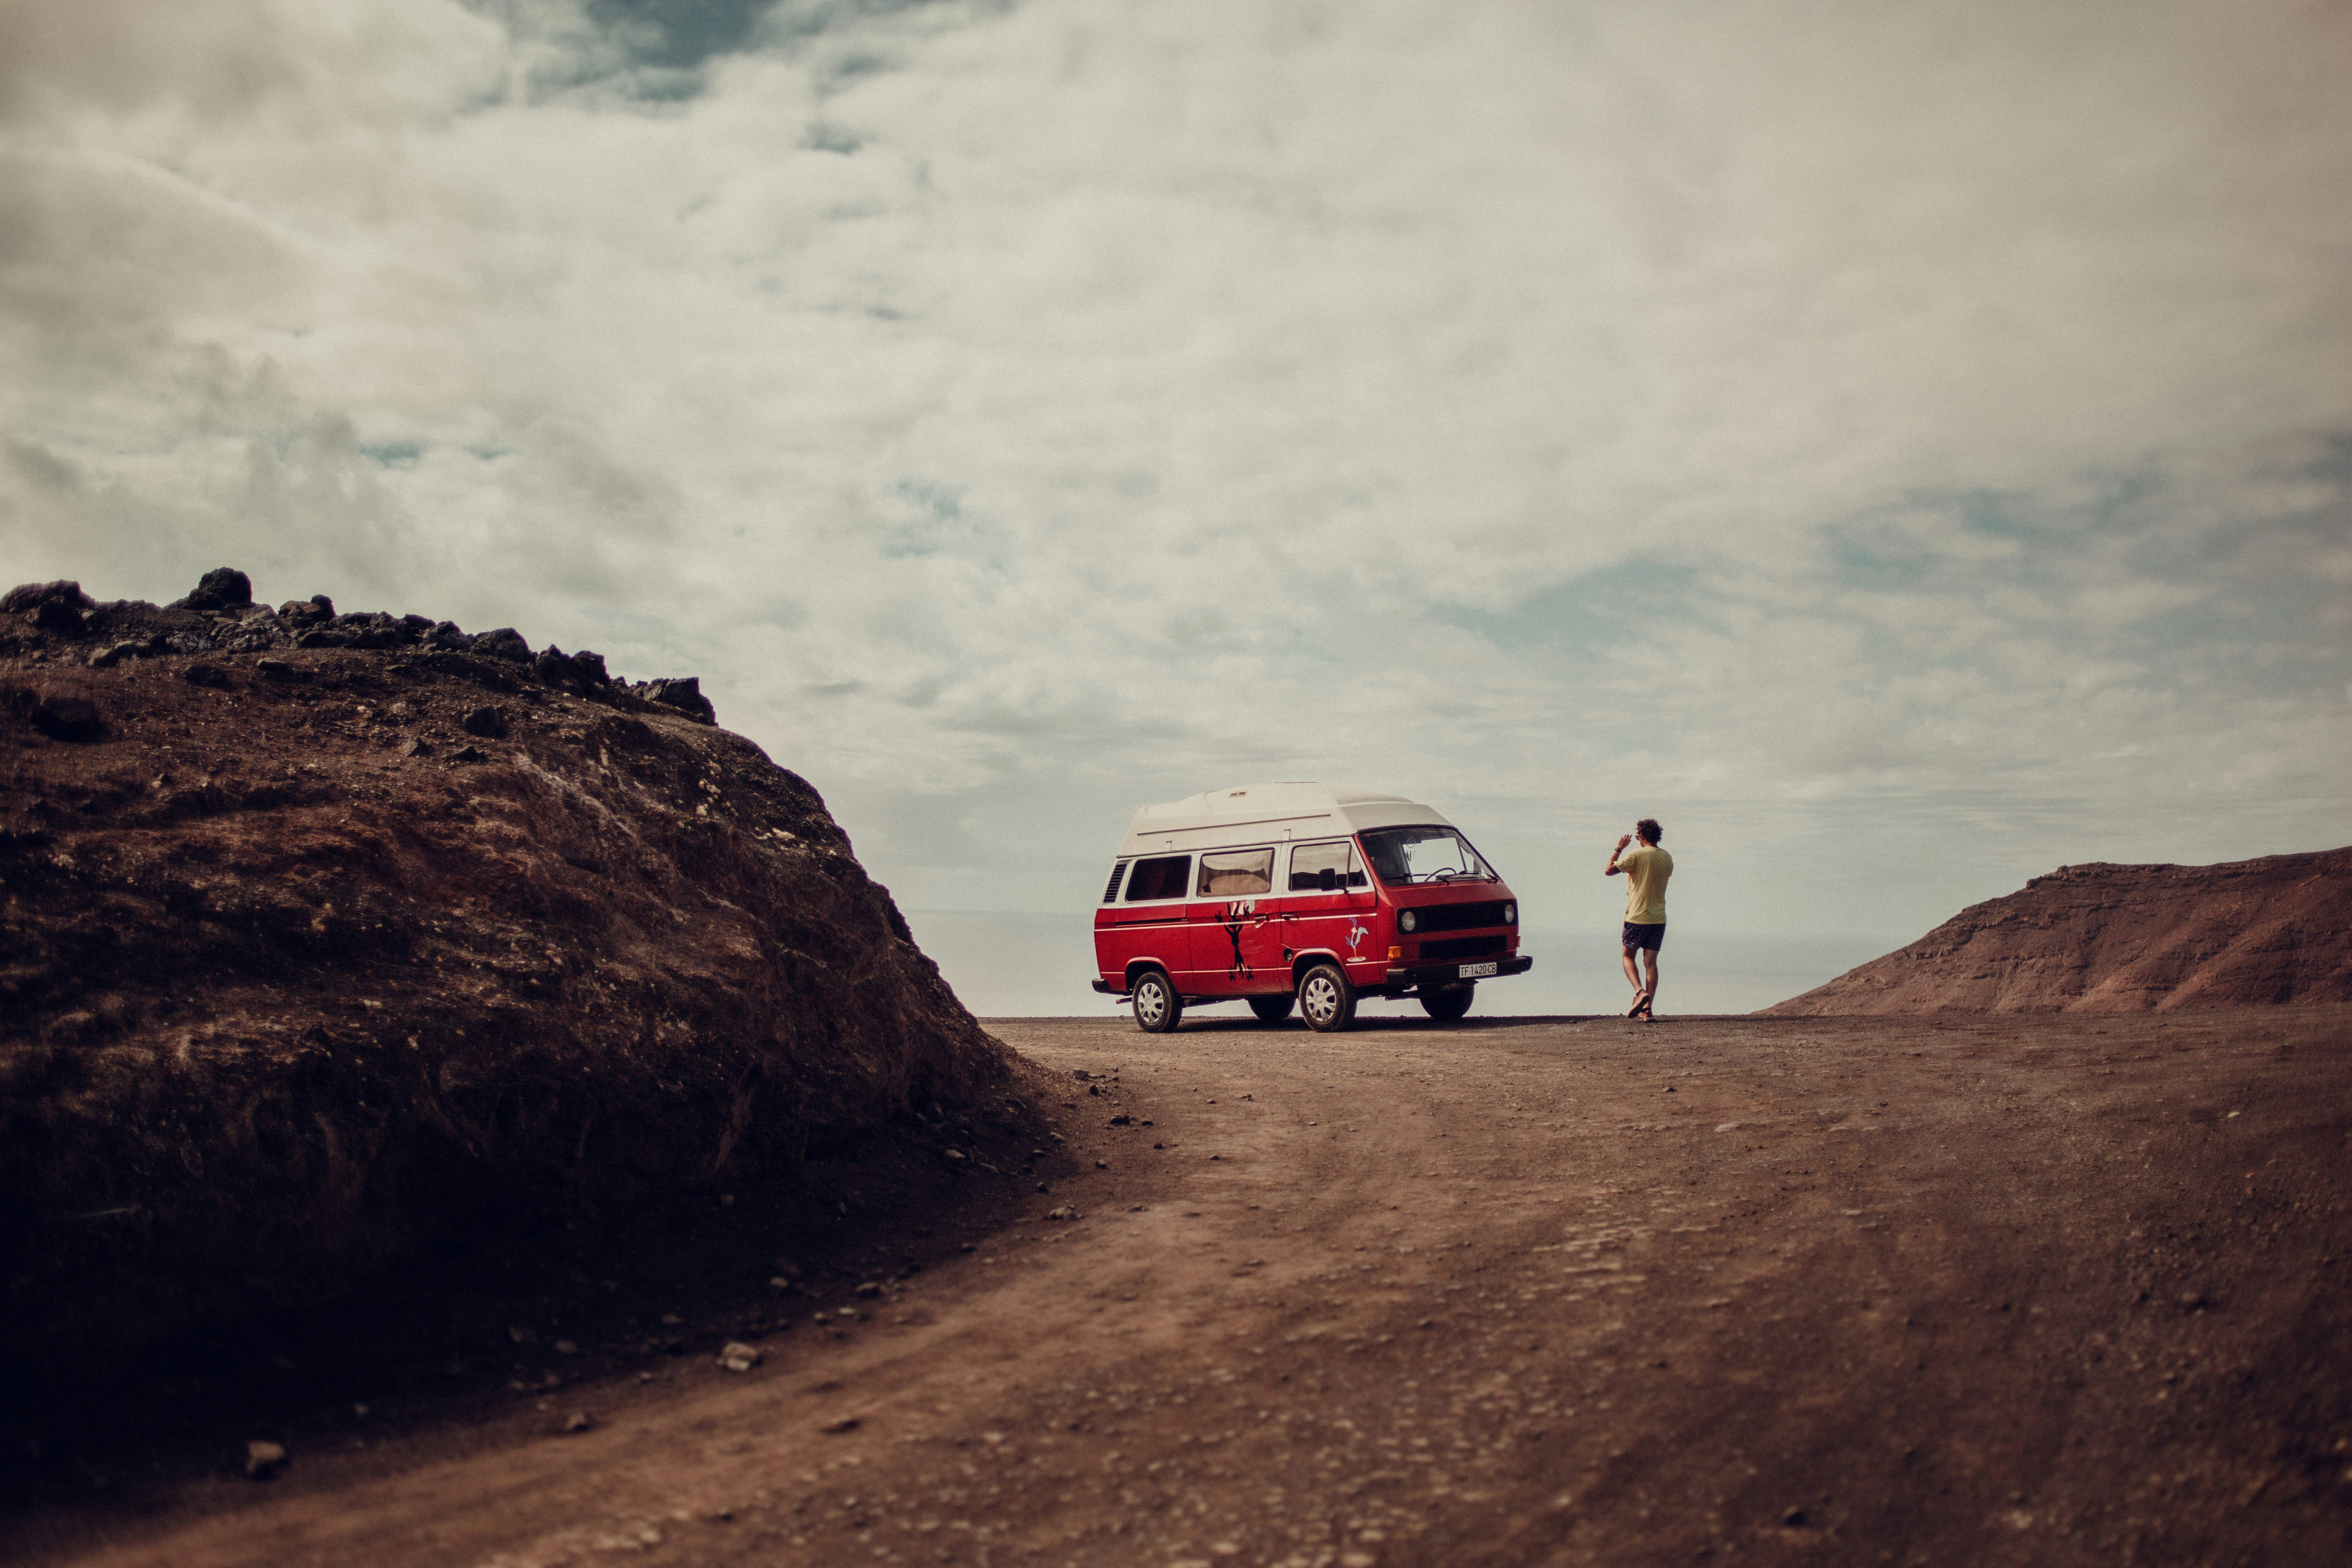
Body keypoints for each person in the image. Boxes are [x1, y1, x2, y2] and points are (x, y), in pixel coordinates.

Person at [1604, 818, 1672, 1018]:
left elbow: (1608, 870)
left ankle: (1639, 992)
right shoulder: (1668, 858)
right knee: (1651, 963)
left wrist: (1619, 848)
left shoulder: (1637, 855)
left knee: (1628, 957)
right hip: (1659, 918)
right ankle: (1647, 1010)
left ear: (1641, 836)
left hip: (1637, 917)